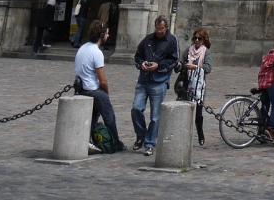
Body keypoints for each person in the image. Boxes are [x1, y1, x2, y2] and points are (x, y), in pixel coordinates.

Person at [131, 14, 180, 155]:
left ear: (166, 28)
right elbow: (138, 56)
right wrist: (142, 63)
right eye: (157, 28)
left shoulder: (172, 41)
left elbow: (174, 60)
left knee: (155, 116)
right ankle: (141, 135)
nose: (159, 31)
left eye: (161, 29)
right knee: (136, 109)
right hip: (144, 80)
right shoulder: (148, 39)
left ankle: (150, 143)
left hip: (159, 81)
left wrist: (158, 65)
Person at [74, 19, 125, 152]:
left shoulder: (83, 47)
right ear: (101, 35)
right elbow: (102, 80)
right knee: (109, 117)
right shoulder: (97, 52)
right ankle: (116, 143)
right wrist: (106, 93)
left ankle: (86, 139)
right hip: (92, 89)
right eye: (107, 33)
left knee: (93, 115)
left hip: (81, 88)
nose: (108, 35)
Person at [182, 27, 212, 147]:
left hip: (199, 86)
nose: (197, 40)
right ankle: (184, 136)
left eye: (200, 38)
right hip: (186, 84)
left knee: (198, 113)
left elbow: (208, 68)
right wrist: (183, 65)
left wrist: (195, 67)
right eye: (195, 38)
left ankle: (200, 134)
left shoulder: (206, 52)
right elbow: (181, 62)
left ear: (204, 40)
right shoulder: (188, 50)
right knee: (184, 111)